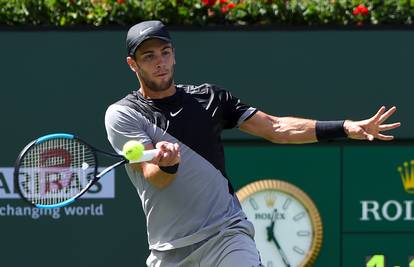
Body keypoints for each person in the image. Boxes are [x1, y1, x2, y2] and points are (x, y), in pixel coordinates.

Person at [104, 20, 400, 267]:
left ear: (174, 54)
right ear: (133, 64)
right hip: (168, 250)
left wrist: (345, 127)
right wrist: (168, 166)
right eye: (149, 56)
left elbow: (276, 127)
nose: (160, 63)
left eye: (165, 52)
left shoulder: (209, 98)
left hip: (226, 235)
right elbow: (152, 178)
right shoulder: (124, 114)